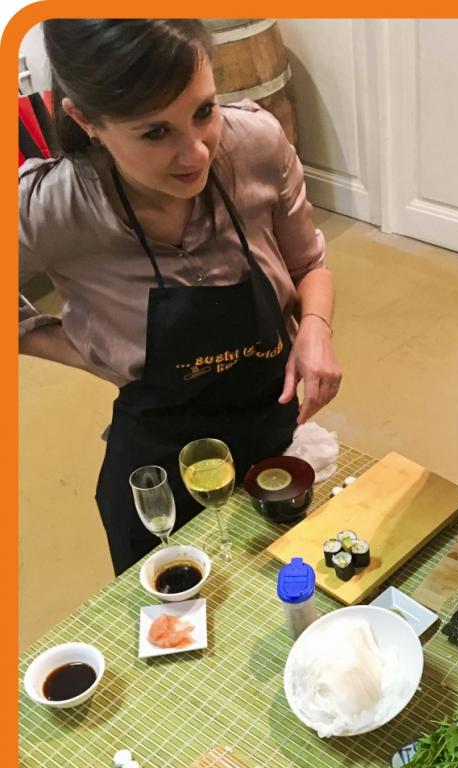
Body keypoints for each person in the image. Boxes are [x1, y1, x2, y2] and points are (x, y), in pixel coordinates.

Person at [19, 20, 341, 575]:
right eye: (154, 133)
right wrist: (86, 351)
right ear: (86, 120)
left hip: (274, 431)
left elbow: (309, 265)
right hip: (159, 463)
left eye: (204, 111)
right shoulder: (54, 209)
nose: (196, 152)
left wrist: (315, 327)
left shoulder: (255, 147)